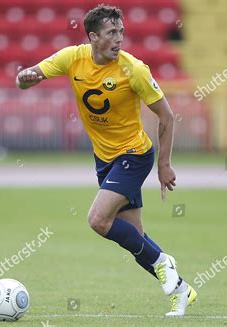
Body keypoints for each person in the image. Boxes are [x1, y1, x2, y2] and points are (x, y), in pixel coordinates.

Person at [16, 4, 197, 316]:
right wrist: (25, 77)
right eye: (112, 33)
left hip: (135, 155)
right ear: (93, 37)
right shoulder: (72, 58)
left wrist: (164, 165)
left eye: (121, 32)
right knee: (135, 238)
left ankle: (163, 262)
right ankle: (181, 290)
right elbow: (27, 77)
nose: (119, 39)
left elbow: (166, 115)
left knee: (98, 220)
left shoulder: (133, 70)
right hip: (105, 160)